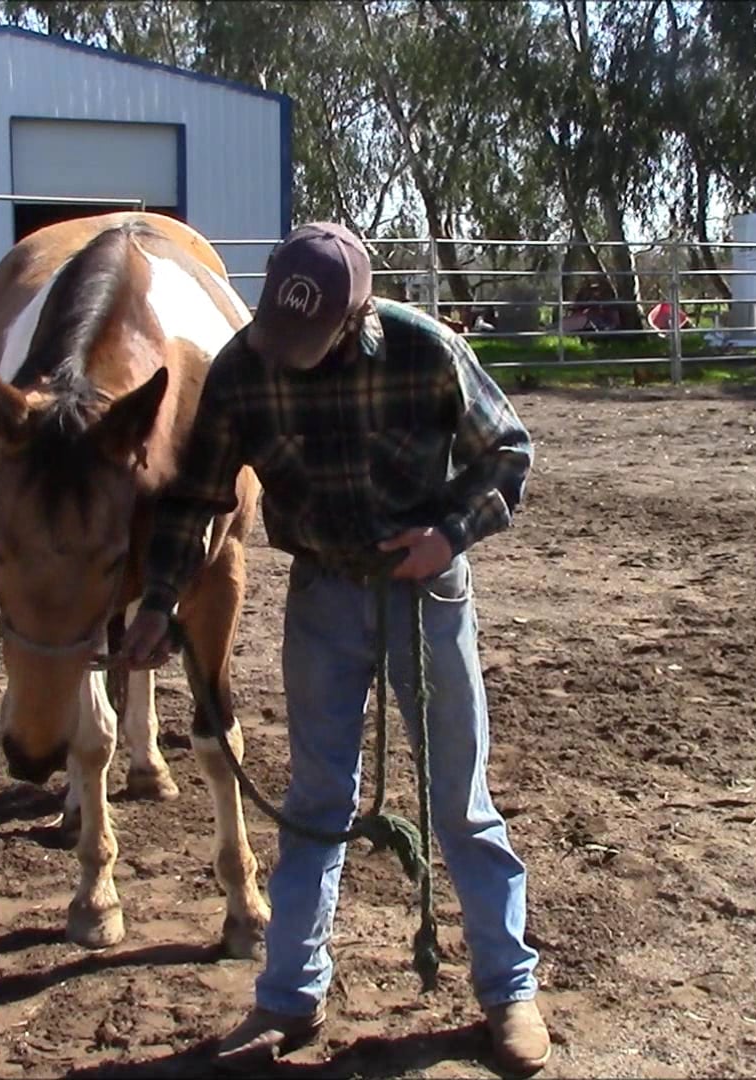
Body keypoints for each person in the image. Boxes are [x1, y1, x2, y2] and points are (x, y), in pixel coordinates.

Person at [115, 222, 549, 1074]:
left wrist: (449, 535)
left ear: (354, 317)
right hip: (321, 596)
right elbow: (196, 500)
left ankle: (508, 991)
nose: (291, 353)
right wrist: (159, 602)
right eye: (283, 330)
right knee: (315, 799)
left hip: (423, 594)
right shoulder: (246, 367)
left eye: (310, 338)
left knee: (459, 800)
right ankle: (289, 995)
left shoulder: (425, 352)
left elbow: (508, 454)